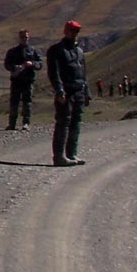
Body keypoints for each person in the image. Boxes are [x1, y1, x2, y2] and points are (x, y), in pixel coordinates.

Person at [48, 20, 90, 167]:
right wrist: (59, 90)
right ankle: (59, 156)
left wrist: (86, 91)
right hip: (66, 92)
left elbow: (83, 73)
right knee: (63, 123)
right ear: (66, 31)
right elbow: (54, 73)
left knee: (76, 123)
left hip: (79, 91)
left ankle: (72, 153)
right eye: (72, 31)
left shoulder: (79, 52)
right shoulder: (56, 50)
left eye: (77, 31)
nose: (75, 34)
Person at [2, 28, 43, 131]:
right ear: (19, 38)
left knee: (27, 102)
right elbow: (7, 64)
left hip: (28, 80)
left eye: (26, 37)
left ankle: (26, 123)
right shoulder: (13, 51)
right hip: (16, 80)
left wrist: (32, 64)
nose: (24, 39)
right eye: (22, 37)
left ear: (29, 38)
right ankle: (12, 124)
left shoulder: (33, 51)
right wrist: (15, 67)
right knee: (14, 102)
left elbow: (40, 64)